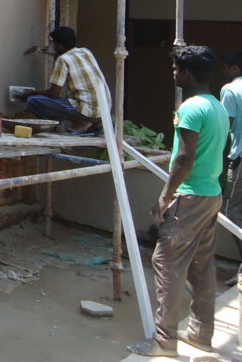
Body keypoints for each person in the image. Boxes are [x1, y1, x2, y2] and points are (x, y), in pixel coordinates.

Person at [128, 45, 228, 357]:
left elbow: (184, 158)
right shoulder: (217, 106)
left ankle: (164, 341)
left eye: (175, 69)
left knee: (166, 262)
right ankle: (200, 334)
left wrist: (165, 197)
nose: (173, 74)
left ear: (186, 73)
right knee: (201, 265)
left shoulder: (191, 108)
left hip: (190, 195)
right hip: (210, 194)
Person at [18, 26, 109, 135]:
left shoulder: (63, 59)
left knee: (33, 101)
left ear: (59, 45)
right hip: (104, 109)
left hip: (87, 110)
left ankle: (81, 122)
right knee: (69, 101)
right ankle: (96, 123)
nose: (52, 46)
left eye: (53, 44)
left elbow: (54, 93)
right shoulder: (85, 51)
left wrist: (32, 92)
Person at [220, 51, 242, 259]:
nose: (223, 72)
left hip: (240, 158)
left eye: (225, 68)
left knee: (230, 212)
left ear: (234, 68)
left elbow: (224, 125)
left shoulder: (230, 89)